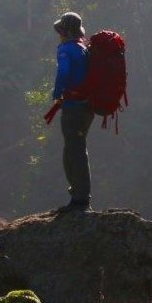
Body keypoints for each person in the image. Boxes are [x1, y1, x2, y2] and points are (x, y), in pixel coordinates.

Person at [52, 12, 94, 212]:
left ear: (65, 31)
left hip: (74, 108)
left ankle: (80, 199)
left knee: (75, 151)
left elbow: (63, 72)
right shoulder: (83, 48)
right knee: (74, 149)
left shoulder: (66, 49)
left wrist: (56, 93)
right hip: (87, 108)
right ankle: (78, 195)